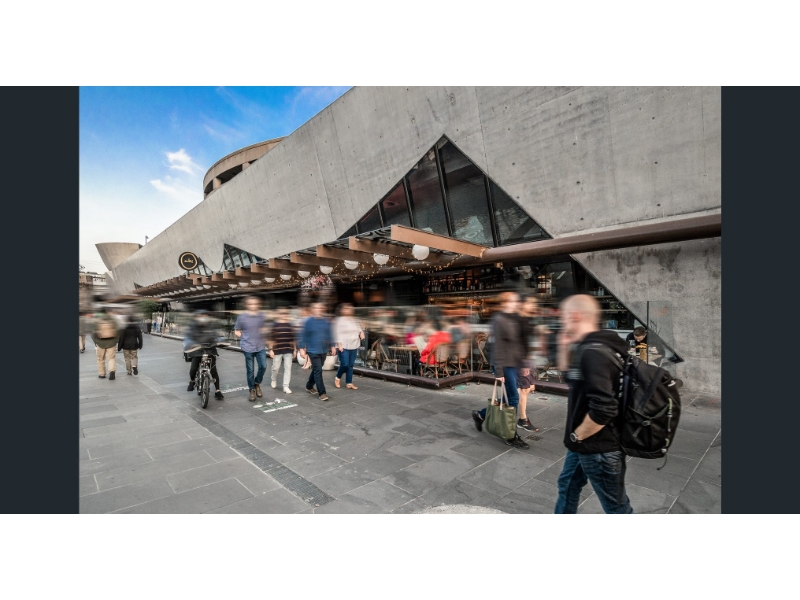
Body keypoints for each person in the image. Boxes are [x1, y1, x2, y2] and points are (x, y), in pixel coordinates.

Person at [554, 294, 633, 514]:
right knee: (567, 485)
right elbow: (573, 380)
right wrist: (562, 347)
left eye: (563, 317)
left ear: (575, 316)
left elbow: (604, 408)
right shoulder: (593, 346)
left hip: (598, 447)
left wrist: (576, 436)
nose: (562, 322)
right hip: (586, 443)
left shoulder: (593, 353)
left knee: (617, 508)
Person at [471, 292, 530, 449]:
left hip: (513, 363)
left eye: (516, 301)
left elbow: (518, 343)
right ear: (504, 303)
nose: (515, 303)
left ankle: (480, 415)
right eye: (512, 301)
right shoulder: (499, 320)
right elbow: (497, 347)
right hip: (504, 364)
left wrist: (523, 364)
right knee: (514, 398)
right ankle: (511, 434)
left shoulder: (514, 318)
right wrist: (498, 372)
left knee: (509, 397)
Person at [300, 302, 336, 401]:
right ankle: (322, 393)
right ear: (313, 310)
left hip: (323, 350)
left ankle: (309, 386)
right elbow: (304, 335)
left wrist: (332, 345)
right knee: (318, 370)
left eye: (320, 308)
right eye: (316, 308)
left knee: (317, 369)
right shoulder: (308, 321)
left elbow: (329, 334)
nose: (318, 310)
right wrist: (301, 348)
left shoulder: (326, 321)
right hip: (312, 350)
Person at [234, 296, 268, 402]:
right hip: (247, 347)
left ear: (258, 305)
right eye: (251, 304)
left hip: (260, 346)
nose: (253, 306)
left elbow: (264, 329)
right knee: (250, 370)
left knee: (263, 366)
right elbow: (237, 331)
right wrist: (243, 337)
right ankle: (252, 389)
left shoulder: (261, 316)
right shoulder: (242, 317)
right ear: (247, 305)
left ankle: (257, 383)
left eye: (255, 304)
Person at [186, 310, 224, 400]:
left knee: (213, 371)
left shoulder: (211, 326)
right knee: (193, 369)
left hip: (210, 350)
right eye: (200, 316)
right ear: (196, 318)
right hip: (197, 351)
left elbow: (217, 336)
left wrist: (220, 341)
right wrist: (190, 344)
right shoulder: (193, 327)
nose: (203, 318)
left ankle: (217, 390)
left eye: (204, 316)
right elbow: (188, 338)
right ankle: (192, 381)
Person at [516, 295, 539, 432]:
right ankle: (523, 420)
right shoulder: (517, 320)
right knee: (524, 389)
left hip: (528, 359)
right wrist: (523, 362)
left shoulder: (527, 319)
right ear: (522, 304)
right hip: (521, 360)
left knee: (529, 388)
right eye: (530, 303)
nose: (533, 306)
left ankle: (483, 414)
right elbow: (517, 343)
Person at [333, 303, 365, 390]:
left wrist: (361, 333)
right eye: (347, 308)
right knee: (345, 364)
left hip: (354, 345)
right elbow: (337, 333)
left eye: (350, 308)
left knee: (350, 365)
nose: (349, 310)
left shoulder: (355, 320)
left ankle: (349, 383)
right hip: (343, 345)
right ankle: (338, 377)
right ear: (342, 310)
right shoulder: (339, 320)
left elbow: (359, 329)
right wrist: (339, 344)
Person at [267, 308, 297, 394]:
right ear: (278, 314)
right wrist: (271, 350)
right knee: (275, 368)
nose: (284, 315)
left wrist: (295, 350)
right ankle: (273, 379)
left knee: (288, 368)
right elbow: (271, 338)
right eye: (282, 313)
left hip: (288, 350)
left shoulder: (290, 325)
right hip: (277, 350)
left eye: (285, 313)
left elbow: (293, 339)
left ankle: (286, 386)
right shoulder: (275, 325)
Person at [91, 308, 119, 380]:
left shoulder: (97, 321)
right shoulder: (113, 320)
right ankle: (112, 371)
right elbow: (118, 331)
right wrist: (115, 341)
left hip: (100, 343)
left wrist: (96, 342)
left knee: (100, 359)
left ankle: (102, 374)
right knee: (111, 358)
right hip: (111, 342)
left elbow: (93, 333)